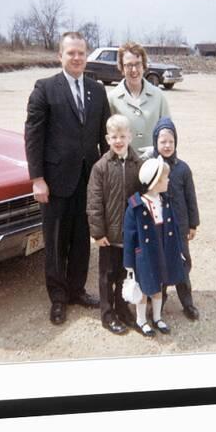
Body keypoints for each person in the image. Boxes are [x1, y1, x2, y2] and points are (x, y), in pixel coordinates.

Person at [25, 31, 110, 325]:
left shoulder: (97, 91)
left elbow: (104, 137)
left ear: (87, 56)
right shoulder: (45, 88)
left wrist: (107, 176)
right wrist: (37, 178)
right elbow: (33, 137)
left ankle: (76, 290)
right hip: (55, 181)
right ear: (60, 55)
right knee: (56, 241)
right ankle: (58, 298)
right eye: (70, 53)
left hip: (88, 180)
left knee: (81, 241)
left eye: (81, 53)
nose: (76, 58)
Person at [86, 114, 141, 334]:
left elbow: (144, 196)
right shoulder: (100, 168)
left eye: (122, 136)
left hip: (129, 233)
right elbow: (94, 202)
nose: (118, 141)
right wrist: (98, 232)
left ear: (129, 136)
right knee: (107, 274)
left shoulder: (138, 165)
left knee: (124, 273)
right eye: (114, 137)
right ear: (107, 139)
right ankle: (107, 314)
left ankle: (122, 308)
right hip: (108, 234)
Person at [123, 156, 186, 337]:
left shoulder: (164, 201)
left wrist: (178, 251)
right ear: (155, 182)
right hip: (144, 253)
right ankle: (141, 320)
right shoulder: (136, 206)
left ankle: (157, 317)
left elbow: (172, 227)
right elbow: (128, 236)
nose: (168, 180)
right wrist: (129, 262)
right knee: (144, 288)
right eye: (165, 178)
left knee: (158, 286)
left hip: (163, 249)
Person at [153, 117, 200, 320]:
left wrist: (192, 224)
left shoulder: (183, 169)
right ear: (155, 142)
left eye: (171, 141)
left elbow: (191, 198)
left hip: (179, 226)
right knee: (161, 263)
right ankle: (158, 303)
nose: (167, 145)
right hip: (160, 227)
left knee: (182, 263)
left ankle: (187, 302)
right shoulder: (151, 167)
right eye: (162, 141)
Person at [108, 42, 171, 159]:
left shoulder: (158, 96)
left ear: (144, 65)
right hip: (123, 167)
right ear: (121, 68)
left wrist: (156, 150)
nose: (134, 70)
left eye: (137, 64)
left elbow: (168, 134)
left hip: (154, 165)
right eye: (128, 65)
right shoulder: (112, 98)